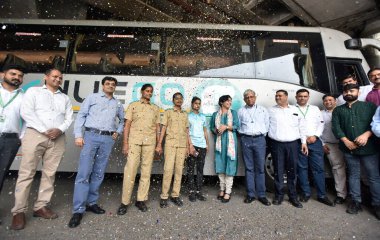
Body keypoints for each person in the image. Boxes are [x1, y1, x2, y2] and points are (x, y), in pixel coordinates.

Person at [11, 69, 73, 230]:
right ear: (46, 77)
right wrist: (44, 130)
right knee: (26, 173)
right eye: (54, 76)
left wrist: (59, 130)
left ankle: (40, 206)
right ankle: (18, 211)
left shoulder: (64, 98)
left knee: (49, 173)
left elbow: (69, 118)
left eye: (60, 77)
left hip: (58, 138)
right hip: (35, 135)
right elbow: (26, 112)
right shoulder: (33, 92)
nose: (58, 79)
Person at [68, 76, 124, 228]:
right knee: (84, 173)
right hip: (90, 136)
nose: (110, 86)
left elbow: (122, 121)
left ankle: (91, 203)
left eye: (113, 84)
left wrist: (117, 132)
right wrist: (78, 135)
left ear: (115, 87)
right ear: (103, 85)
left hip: (107, 140)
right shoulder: (92, 97)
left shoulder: (118, 103)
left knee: (99, 173)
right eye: (108, 84)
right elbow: (81, 116)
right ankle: (78, 210)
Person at [332, 83, 380, 220]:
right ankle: (355, 202)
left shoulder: (369, 107)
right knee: (353, 175)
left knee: (374, 177)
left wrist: (366, 135)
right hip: (349, 149)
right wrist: (346, 142)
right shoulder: (338, 110)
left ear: (358, 92)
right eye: (346, 91)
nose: (348, 93)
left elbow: (376, 123)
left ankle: (377, 204)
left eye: (352, 90)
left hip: (369, 148)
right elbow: (336, 127)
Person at [117, 84, 160, 215]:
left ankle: (141, 200)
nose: (149, 93)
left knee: (146, 173)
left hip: (150, 143)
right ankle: (125, 202)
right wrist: (125, 143)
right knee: (130, 171)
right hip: (134, 142)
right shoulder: (133, 105)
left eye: (151, 91)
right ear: (142, 92)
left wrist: (158, 145)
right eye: (147, 91)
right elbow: (127, 125)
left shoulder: (155, 108)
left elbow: (157, 128)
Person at [268, 90, 307, 208]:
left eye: (280, 95)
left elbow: (302, 127)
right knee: (278, 171)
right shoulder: (270, 110)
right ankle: (279, 196)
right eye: (276, 95)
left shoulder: (295, 110)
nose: (277, 97)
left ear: (286, 97)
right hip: (277, 144)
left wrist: (304, 142)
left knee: (292, 171)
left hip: (292, 144)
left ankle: (293, 196)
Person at [295, 89, 334, 207]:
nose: (302, 98)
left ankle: (322, 195)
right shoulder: (292, 109)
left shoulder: (314, 109)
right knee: (302, 168)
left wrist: (315, 136)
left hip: (314, 142)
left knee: (318, 169)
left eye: (305, 96)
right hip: (299, 142)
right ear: (296, 97)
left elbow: (321, 123)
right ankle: (306, 193)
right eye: (300, 96)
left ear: (308, 97)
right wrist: (303, 139)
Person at [237, 89, 270, 206]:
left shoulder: (262, 110)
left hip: (260, 140)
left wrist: (261, 135)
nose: (250, 99)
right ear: (244, 99)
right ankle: (250, 194)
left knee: (260, 168)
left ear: (255, 97)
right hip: (246, 139)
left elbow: (267, 124)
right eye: (247, 97)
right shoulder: (240, 111)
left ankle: (262, 195)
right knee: (249, 168)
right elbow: (238, 125)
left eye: (251, 97)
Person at [156, 92, 189, 208]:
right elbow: (163, 128)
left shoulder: (185, 114)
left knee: (179, 171)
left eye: (181, 98)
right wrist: (159, 144)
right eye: (177, 98)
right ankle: (164, 196)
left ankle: (175, 195)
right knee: (168, 170)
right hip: (170, 144)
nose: (179, 100)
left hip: (182, 145)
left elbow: (187, 131)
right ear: (173, 100)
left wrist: (188, 146)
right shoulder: (168, 112)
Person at [0, 65, 24, 198]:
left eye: (20, 76)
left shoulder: (23, 97)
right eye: (13, 74)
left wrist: (21, 137)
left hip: (10, 140)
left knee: (1, 175)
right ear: (3, 74)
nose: (17, 77)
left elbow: (27, 120)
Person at [210, 95, 239, 203]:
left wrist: (226, 127)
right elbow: (212, 127)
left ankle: (228, 191)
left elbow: (237, 126)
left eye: (230, 101)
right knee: (220, 165)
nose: (229, 103)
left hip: (230, 144)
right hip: (219, 144)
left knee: (230, 166)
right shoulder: (215, 115)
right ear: (222, 102)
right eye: (228, 101)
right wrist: (216, 130)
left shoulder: (234, 113)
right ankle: (222, 189)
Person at [320, 94, 347, 204]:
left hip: (344, 143)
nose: (328, 102)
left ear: (335, 101)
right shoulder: (320, 114)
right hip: (329, 144)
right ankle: (341, 194)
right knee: (337, 168)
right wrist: (322, 144)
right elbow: (317, 129)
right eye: (325, 100)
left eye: (330, 100)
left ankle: (345, 193)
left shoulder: (342, 111)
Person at [187, 96, 209, 202]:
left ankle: (199, 191)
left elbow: (205, 131)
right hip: (193, 145)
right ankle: (191, 191)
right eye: (196, 103)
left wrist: (207, 144)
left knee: (200, 169)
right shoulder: (188, 116)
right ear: (192, 104)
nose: (197, 105)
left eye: (199, 103)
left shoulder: (203, 117)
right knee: (191, 169)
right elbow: (186, 132)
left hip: (202, 145)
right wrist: (189, 145)